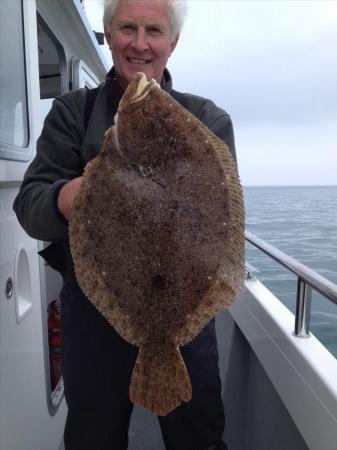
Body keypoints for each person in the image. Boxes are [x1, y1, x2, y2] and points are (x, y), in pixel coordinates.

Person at [14, 0, 237, 449]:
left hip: (182, 324)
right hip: (96, 313)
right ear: (109, 35)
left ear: (172, 43)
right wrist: (65, 198)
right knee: (93, 437)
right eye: (126, 28)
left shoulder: (208, 121)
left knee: (199, 436)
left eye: (153, 31)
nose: (139, 43)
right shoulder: (72, 113)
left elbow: (221, 221)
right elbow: (30, 206)